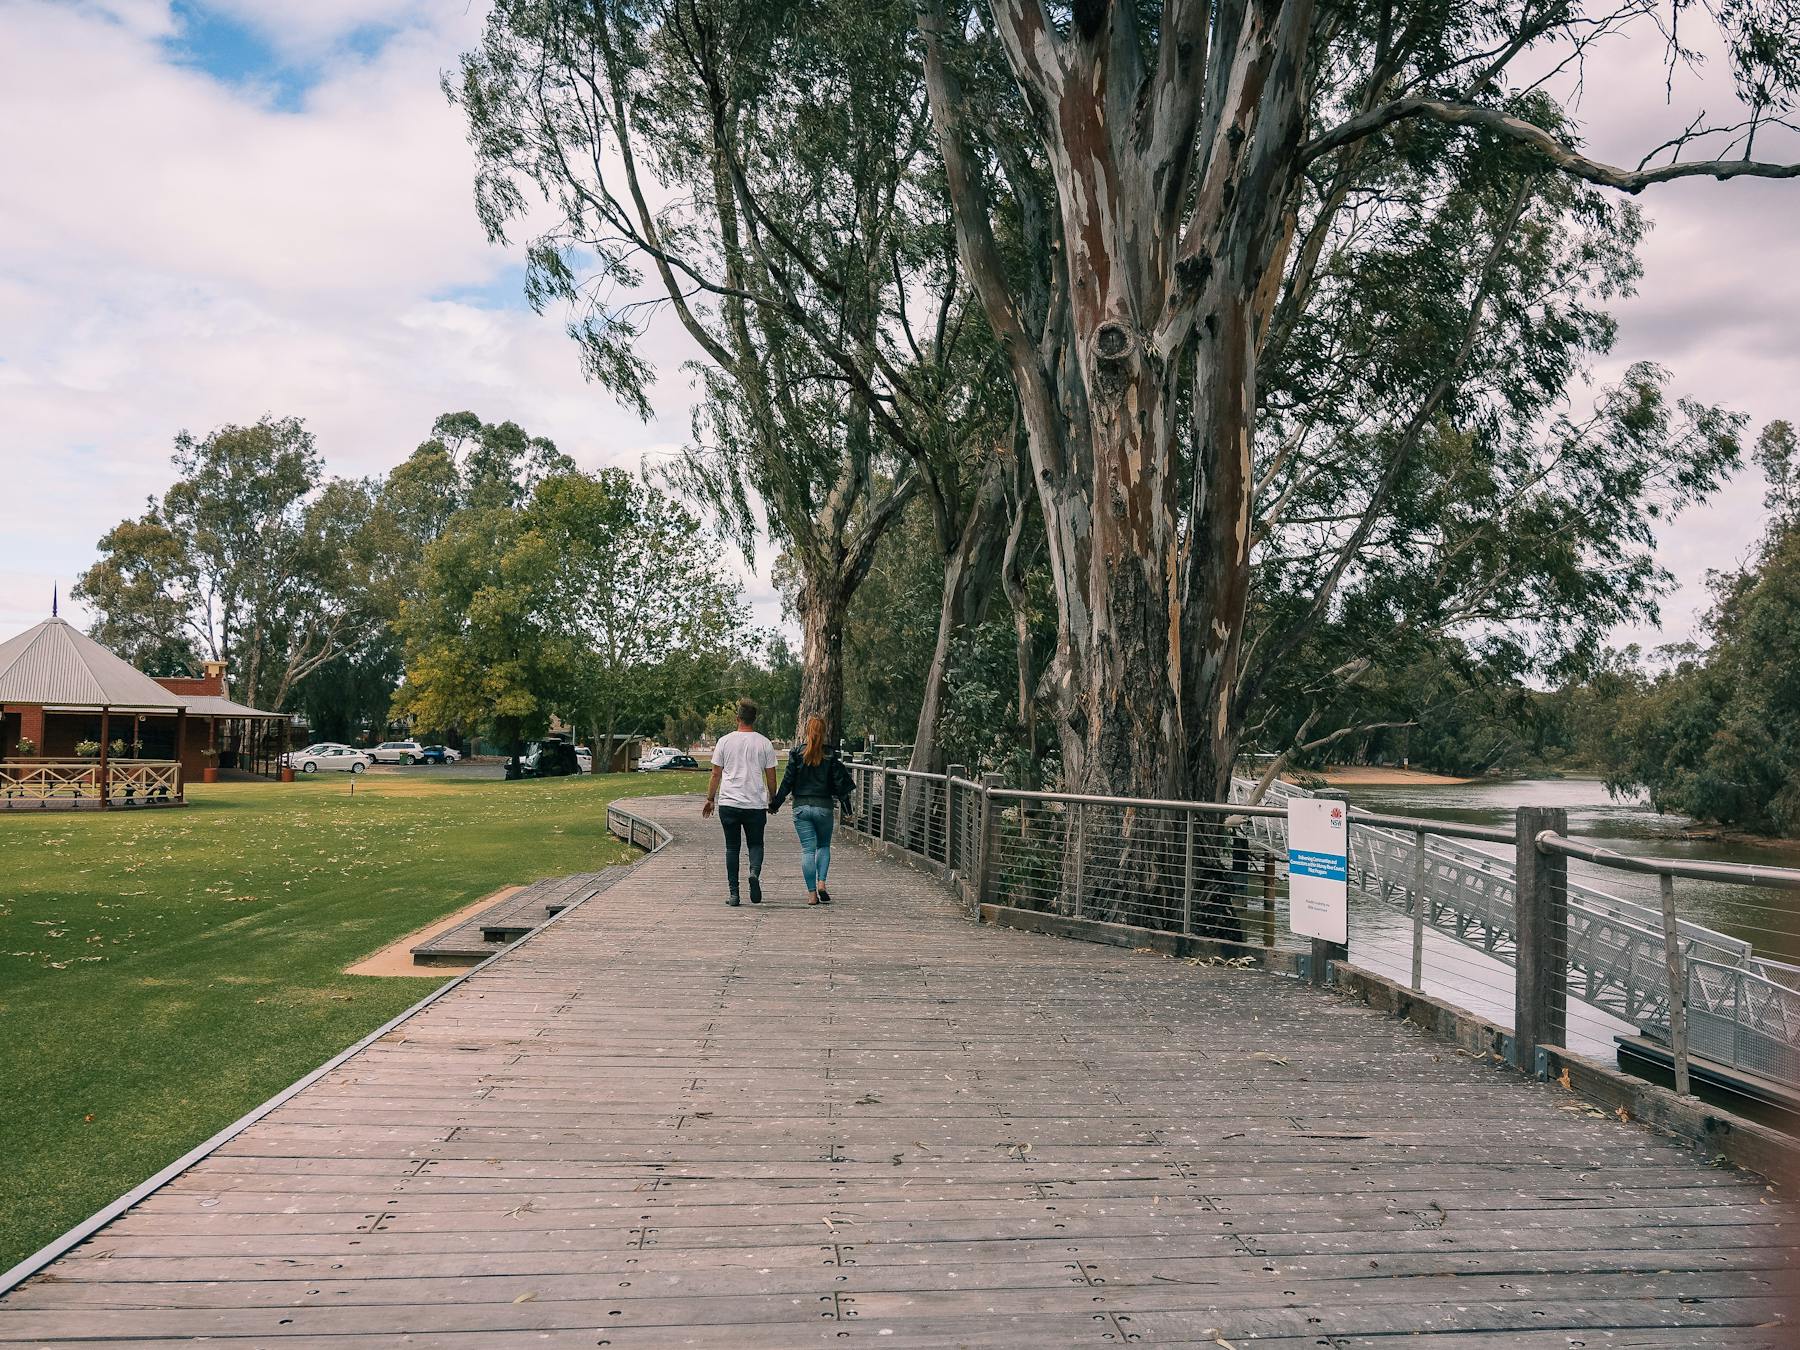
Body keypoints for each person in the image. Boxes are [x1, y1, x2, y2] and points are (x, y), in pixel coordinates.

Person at [769, 714, 855, 905]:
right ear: (824, 733)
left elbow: (787, 782)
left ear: (807, 732)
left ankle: (811, 894)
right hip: (823, 807)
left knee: (808, 850)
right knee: (823, 846)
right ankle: (822, 882)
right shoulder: (830, 755)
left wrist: (775, 804)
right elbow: (841, 784)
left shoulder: (796, 754)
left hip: (801, 808)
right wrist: (848, 810)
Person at [702, 698, 778, 907]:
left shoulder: (724, 741)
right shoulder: (764, 743)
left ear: (737, 718)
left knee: (732, 848)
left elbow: (716, 773)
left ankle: (734, 894)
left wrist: (710, 799)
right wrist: (773, 798)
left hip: (729, 802)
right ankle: (754, 872)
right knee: (755, 843)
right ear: (754, 719)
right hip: (754, 803)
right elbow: (771, 775)